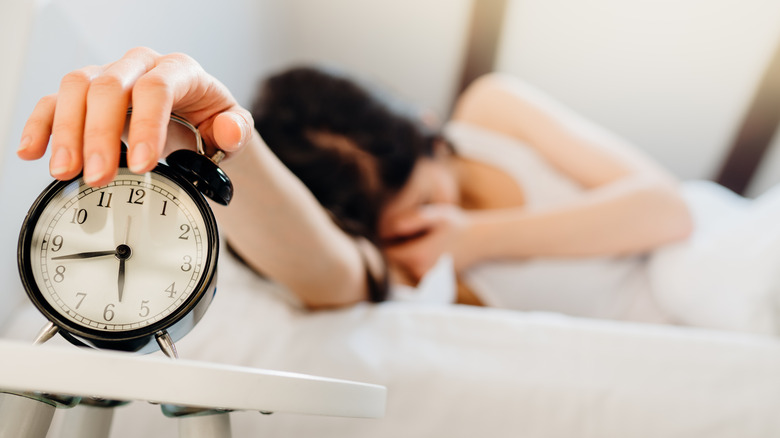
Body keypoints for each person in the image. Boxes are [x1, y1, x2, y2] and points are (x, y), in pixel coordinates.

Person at [16, 47, 694, 322]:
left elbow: (669, 211)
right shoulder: (406, 253)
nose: (440, 216)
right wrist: (228, 153)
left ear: (430, 129)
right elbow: (333, 272)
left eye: (433, 195)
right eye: (416, 217)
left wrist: (477, 236)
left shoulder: (492, 109)